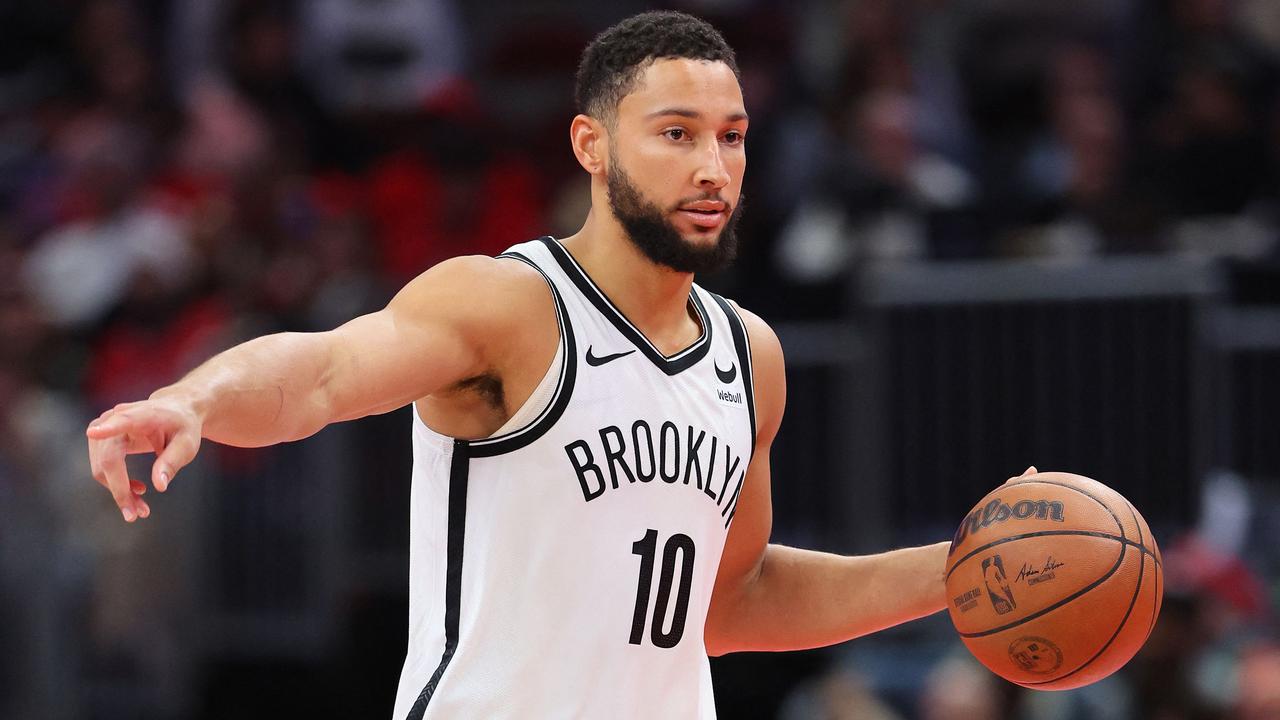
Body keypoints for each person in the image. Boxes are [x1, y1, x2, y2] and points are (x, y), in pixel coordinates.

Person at [85, 11, 1019, 718]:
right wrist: (193, 397)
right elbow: (323, 373)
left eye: (731, 136)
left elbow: (733, 602)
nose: (713, 167)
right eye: (676, 132)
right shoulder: (508, 304)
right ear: (592, 145)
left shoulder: (750, 355)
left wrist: (962, 569)